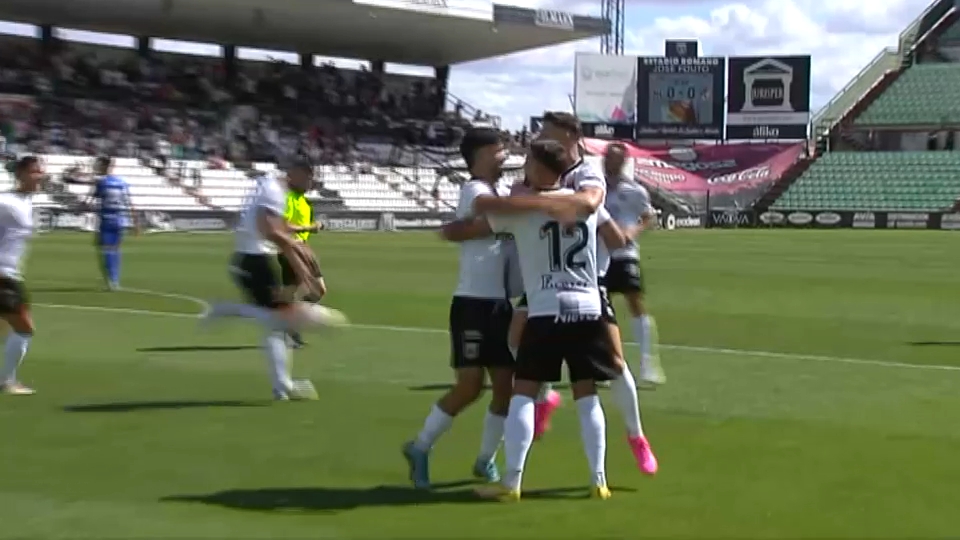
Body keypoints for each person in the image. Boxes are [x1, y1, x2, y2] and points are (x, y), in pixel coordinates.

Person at [441, 140, 619, 500]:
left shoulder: (520, 212)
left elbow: (471, 224)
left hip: (545, 309)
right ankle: (599, 480)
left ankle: (512, 482)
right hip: (588, 308)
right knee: (587, 394)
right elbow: (614, 238)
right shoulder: (584, 201)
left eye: (528, 164)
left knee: (523, 392)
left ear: (539, 168)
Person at [502, 113, 656, 475]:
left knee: (615, 366)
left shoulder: (587, 173)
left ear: (571, 136)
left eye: (549, 132)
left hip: (588, 280)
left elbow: (591, 207)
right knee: (513, 341)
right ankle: (546, 395)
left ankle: (636, 436)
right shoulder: (537, 173)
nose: (542, 137)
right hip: (545, 278)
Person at [402, 127, 514, 490]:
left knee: (504, 387)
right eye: (499, 151)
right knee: (470, 386)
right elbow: (475, 226)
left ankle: (484, 460)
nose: (504, 157)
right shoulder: (475, 190)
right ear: (479, 156)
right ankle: (420, 447)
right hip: (472, 303)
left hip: (499, 303)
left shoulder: (495, 193)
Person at [201, 162, 331, 401]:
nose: (311, 186)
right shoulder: (274, 191)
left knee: (276, 322)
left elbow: (277, 232)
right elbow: (270, 230)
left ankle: (282, 387)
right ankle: (283, 386)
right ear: (297, 173)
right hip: (254, 261)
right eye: (310, 180)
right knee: (277, 321)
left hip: (255, 259)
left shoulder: (269, 185)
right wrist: (302, 269)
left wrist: (299, 262)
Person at [602, 142, 665, 387]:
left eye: (615, 158)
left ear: (624, 161)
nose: (610, 161)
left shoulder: (635, 190)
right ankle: (606, 364)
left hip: (626, 253)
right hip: (599, 256)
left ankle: (647, 362)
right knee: (600, 310)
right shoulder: (594, 187)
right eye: (608, 157)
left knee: (636, 303)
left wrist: (633, 230)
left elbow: (648, 216)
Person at [0, 156, 45, 395]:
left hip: (10, 273)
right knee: (24, 329)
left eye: (41, 171)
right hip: (3, 275)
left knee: (6, 329)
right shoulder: (5, 201)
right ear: (20, 174)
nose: (40, 175)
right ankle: (7, 382)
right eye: (35, 171)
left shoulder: (26, 202)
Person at [278, 159, 324, 349]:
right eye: (308, 178)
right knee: (290, 290)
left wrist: (314, 226)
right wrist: (310, 227)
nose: (310, 183)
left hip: (304, 248)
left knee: (319, 290)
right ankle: (286, 328)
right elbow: (283, 226)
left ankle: (289, 323)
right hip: (289, 248)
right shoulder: (287, 199)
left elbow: (307, 227)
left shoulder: (305, 202)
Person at [88, 156, 138, 291]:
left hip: (106, 220)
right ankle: (115, 279)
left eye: (99, 165)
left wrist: (82, 207)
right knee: (116, 249)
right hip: (120, 220)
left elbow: (91, 201)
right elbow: (130, 203)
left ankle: (111, 280)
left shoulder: (101, 182)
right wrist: (135, 223)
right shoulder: (122, 182)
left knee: (105, 250)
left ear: (104, 166)